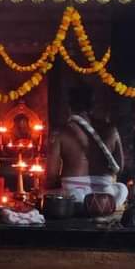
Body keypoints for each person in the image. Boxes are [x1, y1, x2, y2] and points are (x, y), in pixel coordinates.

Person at [46, 82, 128, 210]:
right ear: (93, 106)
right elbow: (120, 168)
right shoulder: (111, 130)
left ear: (69, 106)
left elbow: (51, 174)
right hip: (106, 196)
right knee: (122, 189)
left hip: (75, 196)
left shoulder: (60, 132)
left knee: (50, 195)